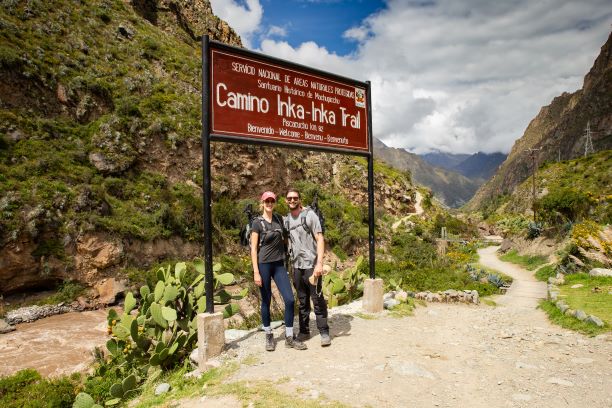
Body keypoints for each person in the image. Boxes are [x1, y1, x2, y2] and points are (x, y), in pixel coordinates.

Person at [250, 191, 307, 351]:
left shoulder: (279, 219)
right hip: (263, 265)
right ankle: (268, 334)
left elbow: (292, 225)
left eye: (272, 201)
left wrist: (304, 210)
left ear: (274, 203)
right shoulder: (257, 223)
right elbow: (254, 249)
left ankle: (289, 336)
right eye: (267, 201)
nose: (269, 204)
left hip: (279, 265)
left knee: (289, 299)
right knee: (266, 301)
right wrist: (256, 271)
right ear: (262, 203)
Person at [284, 188, 331, 346]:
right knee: (302, 301)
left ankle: (324, 332)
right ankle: (304, 331)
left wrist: (319, 263)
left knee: (317, 299)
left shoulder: (310, 215)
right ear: (286, 200)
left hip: (312, 265)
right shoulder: (287, 220)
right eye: (289, 198)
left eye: (295, 198)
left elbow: (320, 238)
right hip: (297, 266)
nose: (292, 200)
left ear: (299, 199)